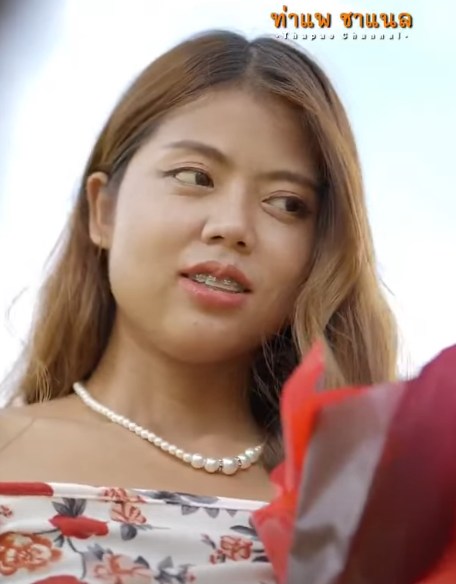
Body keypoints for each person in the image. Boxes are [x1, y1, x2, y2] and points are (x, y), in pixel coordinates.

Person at [0, 29, 397, 583]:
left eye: (286, 204)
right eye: (195, 177)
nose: (232, 226)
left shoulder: (371, 502)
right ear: (102, 211)